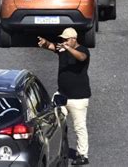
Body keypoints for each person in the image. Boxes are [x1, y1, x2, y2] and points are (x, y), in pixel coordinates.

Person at [38, 28, 91, 166]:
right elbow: (51, 46)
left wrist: (68, 48)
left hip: (78, 98)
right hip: (62, 95)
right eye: (63, 39)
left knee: (79, 127)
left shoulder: (83, 51)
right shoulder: (62, 48)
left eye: (66, 40)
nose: (63, 42)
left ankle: (82, 155)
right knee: (52, 120)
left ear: (74, 39)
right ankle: (55, 147)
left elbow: (81, 58)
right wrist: (44, 42)